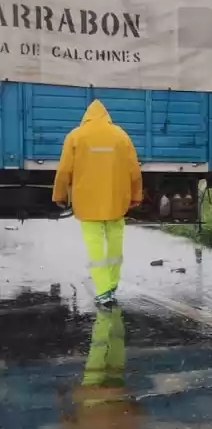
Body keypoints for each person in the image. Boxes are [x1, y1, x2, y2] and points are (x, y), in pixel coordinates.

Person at [52, 100, 143, 308]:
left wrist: (59, 195)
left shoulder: (75, 136)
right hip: (116, 201)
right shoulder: (121, 136)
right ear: (107, 116)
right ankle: (111, 286)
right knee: (114, 245)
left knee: (95, 247)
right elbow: (134, 170)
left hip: (87, 202)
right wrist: (136, 195)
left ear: (87, 116)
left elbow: (64, 170)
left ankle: (102, 291)